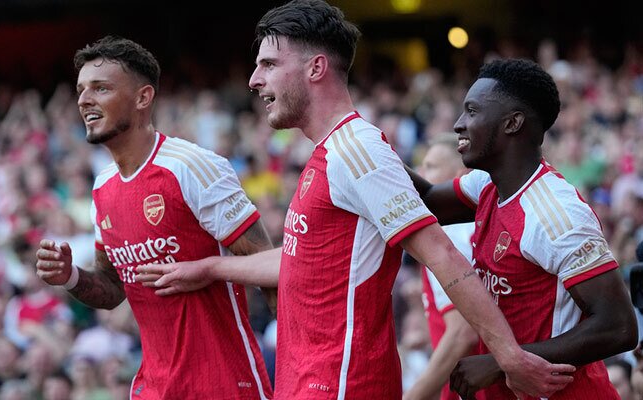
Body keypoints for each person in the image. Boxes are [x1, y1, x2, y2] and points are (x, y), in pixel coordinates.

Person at [137, 2, 574, 399]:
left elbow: (440, 253)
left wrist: (509, 356)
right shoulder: (330, 151)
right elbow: (303, 261)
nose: (254, 81)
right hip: (308, 382)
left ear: (316, 68)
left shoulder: (355, 148)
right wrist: (209, 268)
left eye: (269, 64)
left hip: (342, 384)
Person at [35, 36, 274, 399]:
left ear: (143, 98)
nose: (84, 100)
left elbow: (270, 267)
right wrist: (68, 276)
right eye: (81, 89)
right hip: (154, 386)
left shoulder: (191, 167)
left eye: (100, 88)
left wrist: (296, 363)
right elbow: (114, 290)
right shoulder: (102, 188)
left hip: (223, 383)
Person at [403, 58, 638, 399]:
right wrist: (361, 142)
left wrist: (502, 363)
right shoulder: (487, 184)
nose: (458, 124)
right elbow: (425, 199)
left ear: (512, 123)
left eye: (471, 111)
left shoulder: (556, 213)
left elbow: (618, 326)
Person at [403, 134, 480, 400]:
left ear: (460, 176)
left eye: (431, 167)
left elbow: (462, 332)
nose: (421, 175)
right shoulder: (466, 230)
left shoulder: (449, 234)